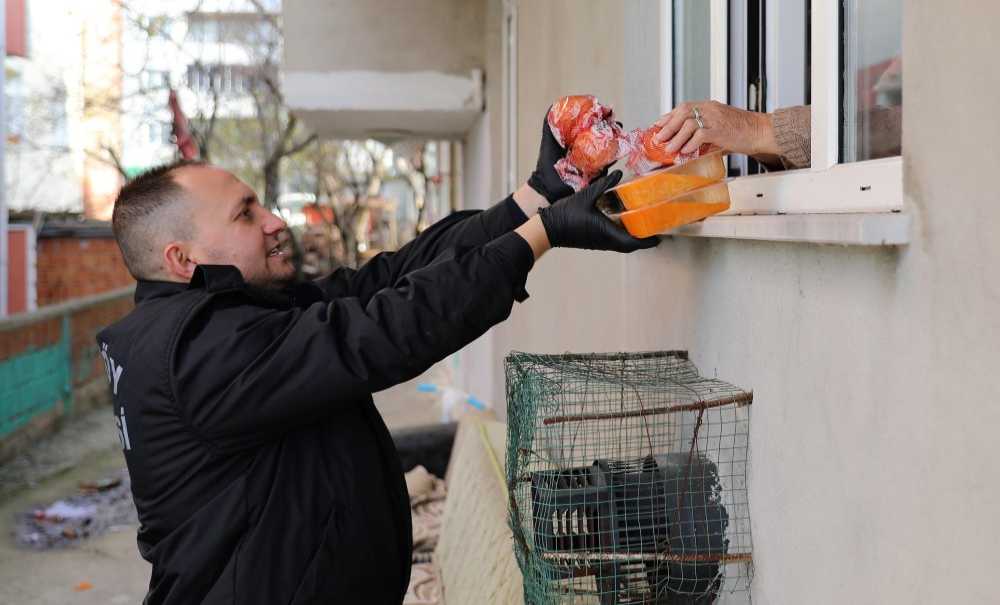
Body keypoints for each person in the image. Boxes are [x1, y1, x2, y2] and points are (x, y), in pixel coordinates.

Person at [96, 115, 656, 605]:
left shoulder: (225, 318)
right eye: (246, 215)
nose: (274, 220)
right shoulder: (200, 352)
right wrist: (543, 234)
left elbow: (386, 282)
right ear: (182, 258)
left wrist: (538, 197)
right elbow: (385, 331)